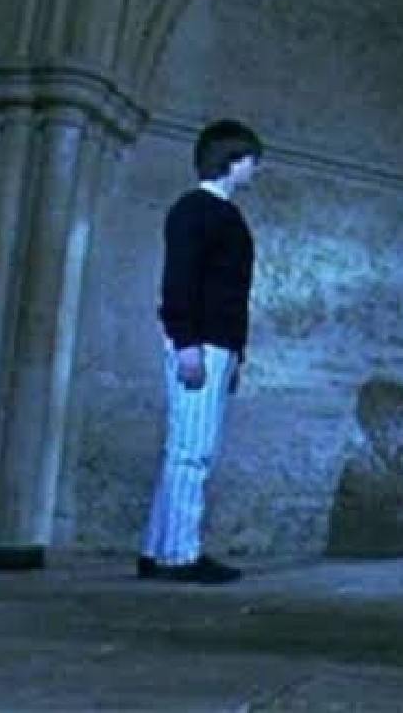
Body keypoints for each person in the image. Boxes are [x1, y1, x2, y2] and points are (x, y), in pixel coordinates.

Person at [139, 119, 262, 584]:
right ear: (232, 160)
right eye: (250, 160)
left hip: (215, 344)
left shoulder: (221, 213)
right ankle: (180, 554)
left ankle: (157, 548)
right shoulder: (196, 210)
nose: (254, 169)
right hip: (201, 343)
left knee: (184, 450)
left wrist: (233, 358)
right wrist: (186, 343)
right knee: (192, 452)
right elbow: (179, 281)